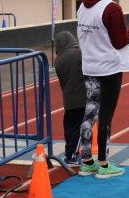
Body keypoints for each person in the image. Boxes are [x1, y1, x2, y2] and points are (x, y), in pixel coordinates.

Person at [77, 0, 129, 178]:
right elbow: (120, 41)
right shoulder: (112, 8)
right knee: (105, 117)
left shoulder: (82, 7)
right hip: (109, 69)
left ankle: (86, 161)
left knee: (89, 113)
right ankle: (103, 164)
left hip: (90, 67)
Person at [54, 31, 86, 166]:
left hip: (68, 97)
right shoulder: (79, 53)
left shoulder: (58, 59)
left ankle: (69, 152)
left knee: (70, 127)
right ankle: (72, 155)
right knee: (80, 128)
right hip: (81, 96)